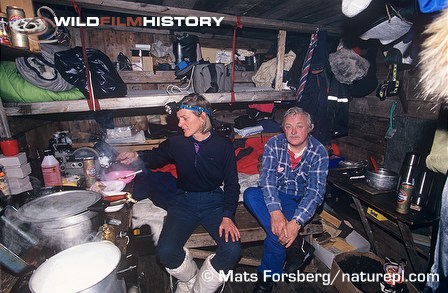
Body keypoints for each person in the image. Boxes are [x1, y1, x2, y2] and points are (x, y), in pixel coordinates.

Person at [116, 93, 242, 293]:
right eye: (179, 118)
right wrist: (136, 155)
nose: (180, 123)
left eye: (185, 118)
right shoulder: (176, 142)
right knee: (165, 252)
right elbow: (156, 156)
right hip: (184, 201)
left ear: (202, 117)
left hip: (214, 203)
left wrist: (227, 215)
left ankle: (201, 289)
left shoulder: (223, 145)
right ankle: (190, 278)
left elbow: (233, 185)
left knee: (232, 250)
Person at [243, 107, 329, 292]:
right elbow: (267, 180)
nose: (294, 131)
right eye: (288, 126)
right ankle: (297, 246)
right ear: (283, 128)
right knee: (250, 194)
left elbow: (315, 192)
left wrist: (296, 223)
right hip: (277, 195)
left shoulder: (319, 151)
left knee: (276, 237)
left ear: (309, 128)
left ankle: (265, 282)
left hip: (299, 201)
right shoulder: (274, 143)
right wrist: (275, 212)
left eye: (299, 126)